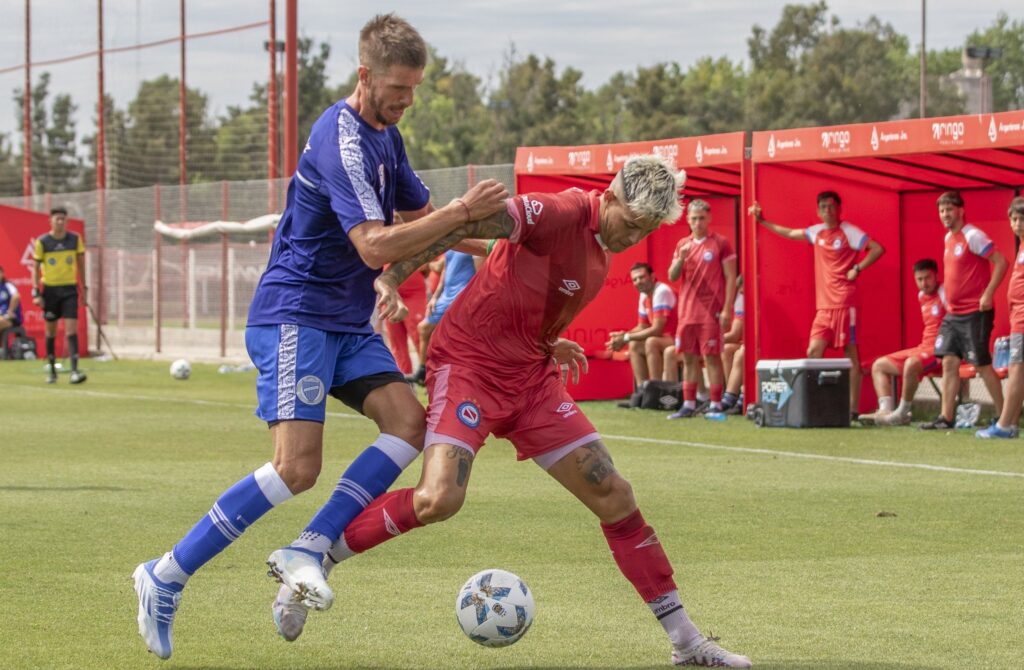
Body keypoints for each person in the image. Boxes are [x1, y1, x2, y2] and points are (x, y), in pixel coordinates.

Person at [131, 14, 509, 660]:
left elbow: (432, 225)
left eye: (414, 89)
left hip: (343, 320)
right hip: (295, 315)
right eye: (398, 88)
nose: (406, 101)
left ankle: (309, 549)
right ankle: (164, 575)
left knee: (409, 425)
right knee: (296, 467)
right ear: (365, 75)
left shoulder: (388, 139)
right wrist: (460, 213)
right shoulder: (341, 137)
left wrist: (516, 240)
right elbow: (374, 246)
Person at [276, 155, 752, 667]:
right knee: (439, 498)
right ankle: (313, 559)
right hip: (470, 369)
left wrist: (550, 342)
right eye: (631, 224)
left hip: (531, 380)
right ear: (610, 197)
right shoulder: (560, 210)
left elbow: (516, 267)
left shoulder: (601, 241)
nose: (633, 238)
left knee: (613, 494)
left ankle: (686, 643)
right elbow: (476, 224)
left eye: (647, 230)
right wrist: (394, 276)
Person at [750, 192, 885, 418]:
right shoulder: (817, 231)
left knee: (850, 353)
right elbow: (791, 234)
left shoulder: (849, 231)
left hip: (845, 302)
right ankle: (812, 402)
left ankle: (851, 409)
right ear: (818, 211)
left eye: (831, 206)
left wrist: (857, 268)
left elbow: (877, 248)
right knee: (813, 351)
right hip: (823, 307)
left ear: (839, 208)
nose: (828, 211)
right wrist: (763, 221)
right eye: (823, 207)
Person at [920, 191, 1006, 431]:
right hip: (953, 314)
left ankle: (1004, 417)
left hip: (975, 313)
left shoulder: (973, 235)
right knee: (948, 361)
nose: (945, 215)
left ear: (961, 210)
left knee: (981, 364)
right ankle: (946, 418)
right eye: (941, 211)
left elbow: (1001, 262)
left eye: (949, 210)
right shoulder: (949, 238)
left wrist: (988, 293)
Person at [667, 199, 737, 418]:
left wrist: (727, 309)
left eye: (701, 218)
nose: (697, 223)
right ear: (688, 219)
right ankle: (689, 404)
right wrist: (681, 259)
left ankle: (716, 404)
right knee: (688, 357)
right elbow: (672, 275)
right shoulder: (682, 245)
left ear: (709, 218)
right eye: (694, 218)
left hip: (711, 311)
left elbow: (731, 277)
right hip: (687, 311)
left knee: (711, 357)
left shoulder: (720, 243)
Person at [857, 259, 946, 426]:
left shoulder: (945, 292)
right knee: (879, 365)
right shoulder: (921, 296)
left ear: (937, 276)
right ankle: (885, 411)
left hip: (941, 350)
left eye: (927, 278)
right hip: (924, 347)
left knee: (911, 364)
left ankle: (902, 413)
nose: (924, 283)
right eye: (919, 279)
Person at [976, 197, 1024, 438]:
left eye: (1020, 219)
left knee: (1017, 369)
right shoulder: (1022, 246)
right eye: (1013, 219)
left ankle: (1005, 425)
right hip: (1018, 318)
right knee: (1018, 369)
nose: (1016, 224)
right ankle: (1011, 423)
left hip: (1023, 320)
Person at [30, 206, 87, 384]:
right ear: (51, 221)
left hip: (69, 289)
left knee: (71, 330)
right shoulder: (43, 241)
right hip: (50, 290)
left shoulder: (75, 239)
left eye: (63, 219)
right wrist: (36, 291)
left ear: (67, 221)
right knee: (51, 332)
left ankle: (75, 371)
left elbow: (81, 264)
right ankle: (52, 371)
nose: (60, 222)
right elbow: (36, 267)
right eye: (57, 219)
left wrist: (83, 289)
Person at [405, 249, 478, 385]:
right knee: (425, 330)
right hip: (446, 294)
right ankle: (425, 372)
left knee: (443, 334)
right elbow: (444, 269)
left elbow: (480, 269)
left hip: (462, 294)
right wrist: (435, 297)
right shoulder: (455, 243)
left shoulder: (475, 241)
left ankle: (448, 375)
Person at [606, 261, 677, 391]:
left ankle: (656, 390)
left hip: (681, 338)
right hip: (667, 339)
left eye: (642, 277)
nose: (638, 281)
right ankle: (642, 391)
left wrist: (625, 338)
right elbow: (642, 326)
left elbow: (656, 330)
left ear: (652, 276)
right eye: (635, 279)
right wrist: (623, 337)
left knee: (651, 342)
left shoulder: (662, 291)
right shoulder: (644, 295)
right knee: (635, 344)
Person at [383, 265, 428, 374]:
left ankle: (429, 375)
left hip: (414, 292)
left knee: (419, 336)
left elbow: (428, 265)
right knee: (396, 342)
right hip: (390, 293)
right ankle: (405, 379)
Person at [721, 275, 745, 414]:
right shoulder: (740, 298)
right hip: (744, 344)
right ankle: (729, 394)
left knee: (740, 353)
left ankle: (735, 397)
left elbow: (735, 334)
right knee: (726, 349)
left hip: (760, 345)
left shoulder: (740, 298)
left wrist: (711, 340)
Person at [0, 265, 24, 347]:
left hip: (11, 319)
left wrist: (10, 311)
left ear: (2, 274)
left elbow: (16, 296)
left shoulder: (7, 285)